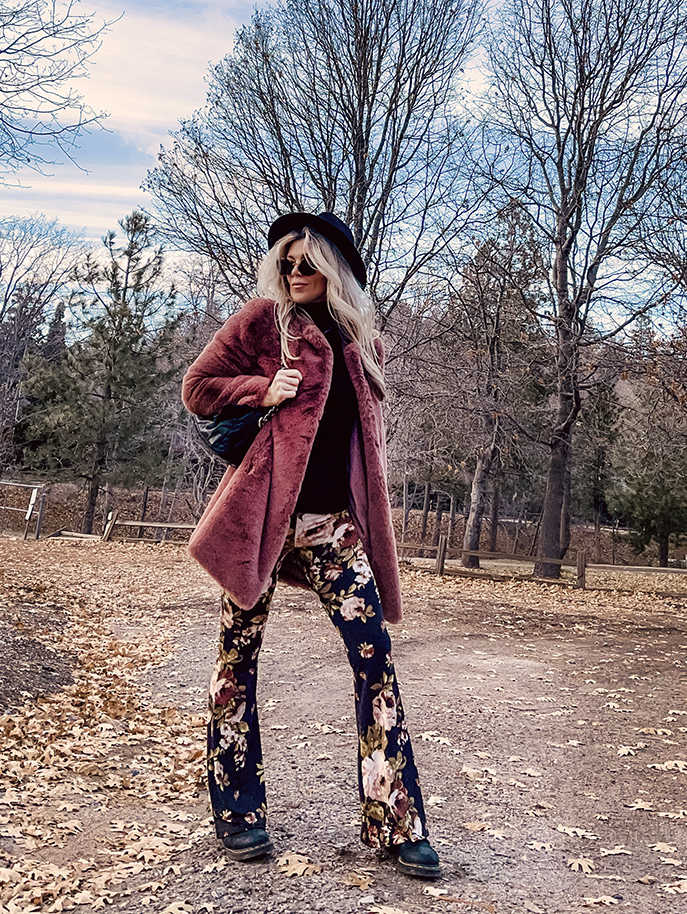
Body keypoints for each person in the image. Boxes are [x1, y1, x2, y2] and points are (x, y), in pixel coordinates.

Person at [182, 211, 441, 879]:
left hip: (332, 531)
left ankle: (395, 822)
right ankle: (238, 814)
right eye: (287, 262)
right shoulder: (262, 324)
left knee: (375, 658)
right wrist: (260, 388)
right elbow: (198, 387)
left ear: (335, 270)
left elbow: (368, 457)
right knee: (236, 661)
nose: (295, 273)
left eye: (308, 263)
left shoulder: (365, 346)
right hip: (259, 525)